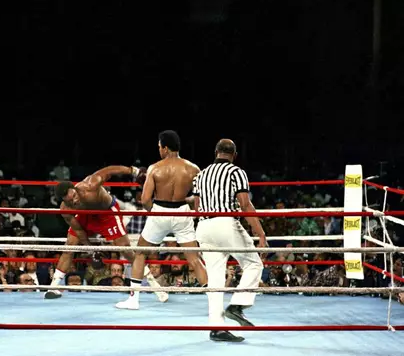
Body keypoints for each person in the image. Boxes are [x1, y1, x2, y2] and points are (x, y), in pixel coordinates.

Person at [44, 165, 168, 302]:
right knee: (70, 245)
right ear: (63, 201)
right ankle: (54, 286)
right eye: (70, 200)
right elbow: (78, 230)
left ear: (75, 189)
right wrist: (91, 250)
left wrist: (134, 171)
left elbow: (109, 171)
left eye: (74, 195)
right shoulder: (66, 209)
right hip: (85, 215)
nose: (74, 200)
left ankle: (154, 285)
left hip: (107, 213)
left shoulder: (90, 185)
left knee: (126, 250)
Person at [116, 130, 207, 310]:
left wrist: (156, 213)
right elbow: (199, 198)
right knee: (194, 259)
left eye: (159, 147)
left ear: (165, 148)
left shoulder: (155, 168)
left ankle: (134, 300)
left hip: (159, 212)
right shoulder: (194, 169)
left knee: (140, 253)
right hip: (183, 212)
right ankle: (214, 302)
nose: (159, 150)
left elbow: (145, 200)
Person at [193, 139, 266, 342]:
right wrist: (260, 233)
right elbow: (245, 204)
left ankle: (216, 328)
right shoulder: (236, 172)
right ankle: (237, 305)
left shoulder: (200, 175)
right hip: (225, 223)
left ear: (216, 152)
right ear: (234, 155)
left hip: (204, 226)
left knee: (215, 281)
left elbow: (197, 207)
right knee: (253, 263)